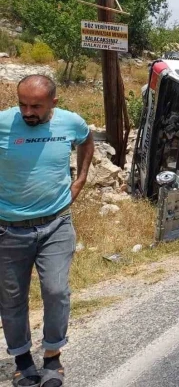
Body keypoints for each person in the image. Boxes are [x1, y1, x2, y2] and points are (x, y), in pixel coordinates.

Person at [0, 75, 94, 387]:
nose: (27, 112)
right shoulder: (2, 123)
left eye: (36, 106)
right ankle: (22, 359)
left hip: (56, 224)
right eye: (22, 104)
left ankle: (52, 356)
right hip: (8, 230)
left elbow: (87, 140)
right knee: (12, 298)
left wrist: (79, 180)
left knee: (56, 291)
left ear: (54, 102)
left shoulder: (71, 122)